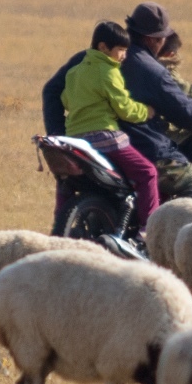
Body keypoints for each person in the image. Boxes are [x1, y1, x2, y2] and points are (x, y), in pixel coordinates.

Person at [42, 2, 192, 211]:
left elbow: (51, 91)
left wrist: (60, 135)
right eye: (162, 39)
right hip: (145, 151)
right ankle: (178, 240)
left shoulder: (87, 59)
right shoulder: (152, 71)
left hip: (88, 148)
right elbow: (185, 112)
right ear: (154, 39)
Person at [57, 20, 161, 237]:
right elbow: (124, 108)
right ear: (103, 48)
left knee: (66, 181)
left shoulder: (74, 72)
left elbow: (67, 101)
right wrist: (146, 112)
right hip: (104, 137)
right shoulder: (108, 72)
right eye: (121, 50)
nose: (124, 55)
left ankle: (59, 228)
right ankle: (148, 229)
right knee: (148, 173)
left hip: (75, 138)